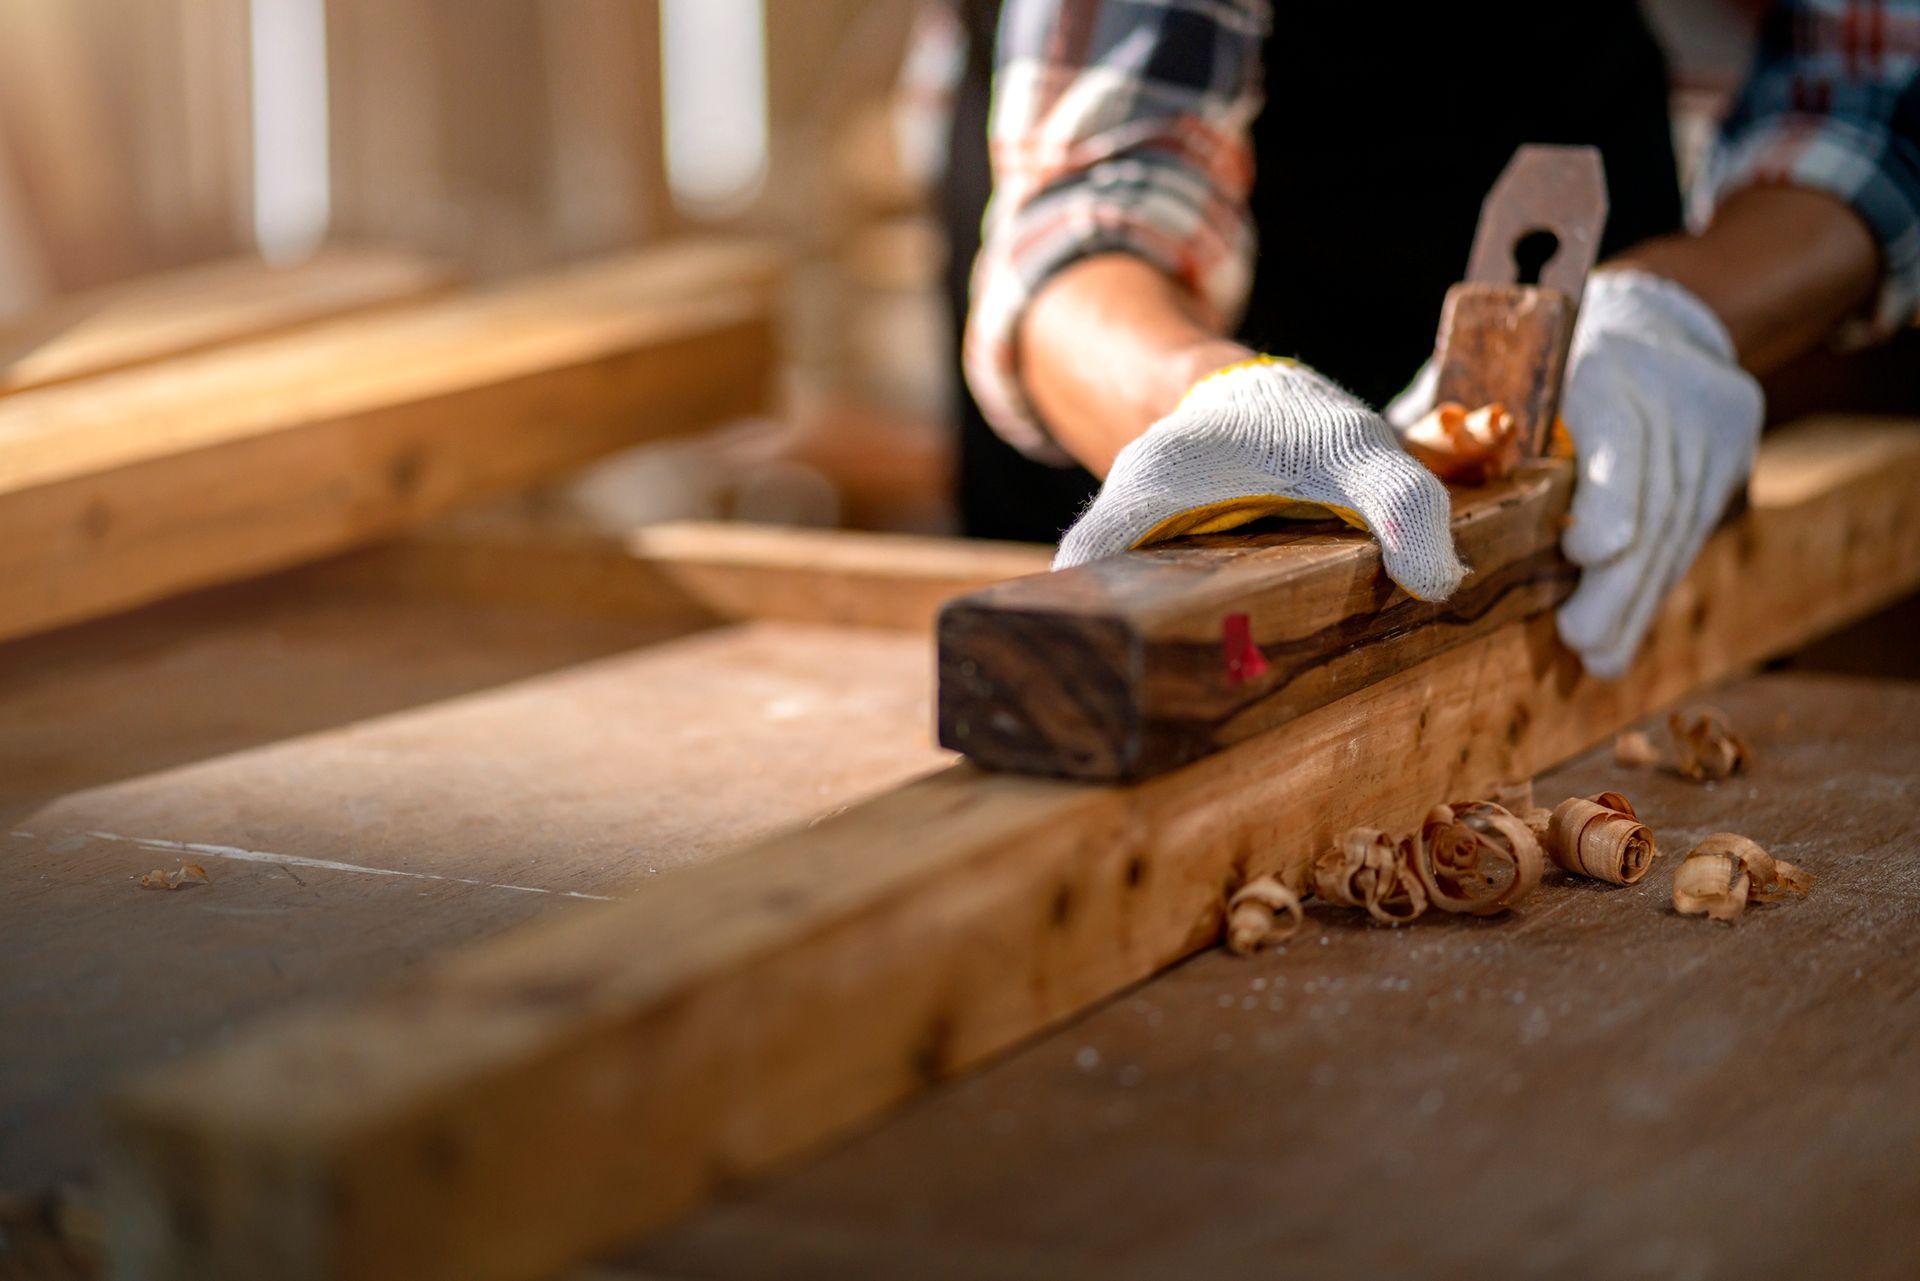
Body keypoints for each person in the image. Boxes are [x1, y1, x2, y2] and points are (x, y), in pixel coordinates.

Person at [955, 0, 1918, 677]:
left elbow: (1874, 104)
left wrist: (1677, 309)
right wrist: (1209, 390)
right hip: (1198, 321)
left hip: (1607, 287)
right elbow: (1084, 223)